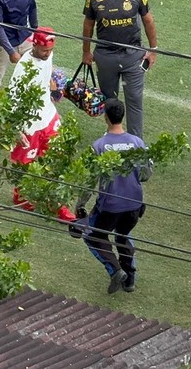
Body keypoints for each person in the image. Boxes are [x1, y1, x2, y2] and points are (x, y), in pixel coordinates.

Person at [78, 98, 150, 294]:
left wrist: (80, 205)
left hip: (110, 206)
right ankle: (130, 279)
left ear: (106, 117)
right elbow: (146, 174)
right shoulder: (137, 142)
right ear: (122, 116)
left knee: (92, 235)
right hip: (134, 205)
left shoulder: (99, 146)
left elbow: (89, 182)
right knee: (123, 234)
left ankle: (116, 270)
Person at [81, 0, 157, 138]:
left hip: (133, 56)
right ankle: (112, 135)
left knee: (134, 100)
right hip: (105, 56)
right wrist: (86, 51)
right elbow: (88, 25)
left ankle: (136, 142)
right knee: (110, 100)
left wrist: (153, 49)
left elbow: (148, 21)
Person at [7, 27, 73, 222]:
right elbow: (13, 99)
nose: (48, 54)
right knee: (24, 164)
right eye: (45, 50)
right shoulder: (23, 68)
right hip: (30, 125)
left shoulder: (47, 56)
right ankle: (21, 196)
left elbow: (47, 72)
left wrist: (53, 89)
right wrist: (16, 129)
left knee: (56, 160)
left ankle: (57, 204)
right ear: (34, 45)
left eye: (50, 50)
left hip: (48, 117)